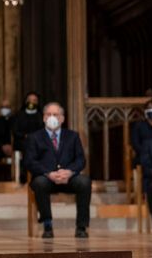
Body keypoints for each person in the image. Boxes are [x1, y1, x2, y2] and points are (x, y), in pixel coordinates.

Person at [25, 102, 91, 239]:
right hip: (46, 178)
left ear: (62, 118)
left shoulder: (72, 136)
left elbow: (80, 160)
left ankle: (81, 227)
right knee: (39, 183)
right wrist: (49, 173)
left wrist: (70, 172)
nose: (51, 117)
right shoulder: (34, 137)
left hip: (68, 178)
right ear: (43, 118)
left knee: (85, 182)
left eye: (55, 114)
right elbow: (29, 161)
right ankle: (47, 225)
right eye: (48, 114)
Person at [13, 92, 44, 184]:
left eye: (34, 100)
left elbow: (44, 129)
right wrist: (25, 135)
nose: (32, 102)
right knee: (27, 146)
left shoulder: (41, 115)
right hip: (22, 141)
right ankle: (24, 173)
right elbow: (15, 131)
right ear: (26, 101)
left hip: (38, 141)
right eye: (30, 100)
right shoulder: (18, 115)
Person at [132, 99, 152, 166]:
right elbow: (135, 143)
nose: (151, 110)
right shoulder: (139, 126)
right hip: (144, 155)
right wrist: (146, 152)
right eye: (149, 108)